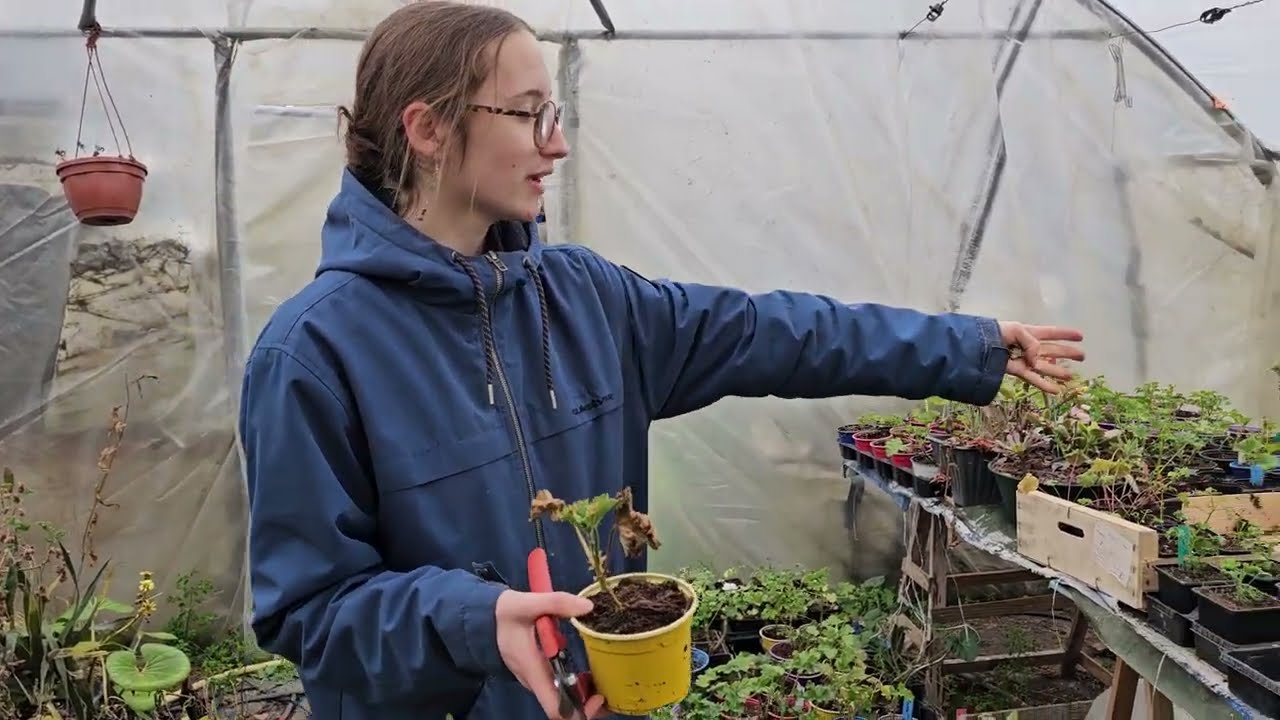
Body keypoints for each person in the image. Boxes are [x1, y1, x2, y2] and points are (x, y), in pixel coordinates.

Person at [236, 2, 1086, 719]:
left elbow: (777, 332)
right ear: (427, 128)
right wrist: (475, 621)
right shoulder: (314, 353)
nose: (556, 144)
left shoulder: (584, 299)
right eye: (529, 112)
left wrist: (966, 346)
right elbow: (310, 612)